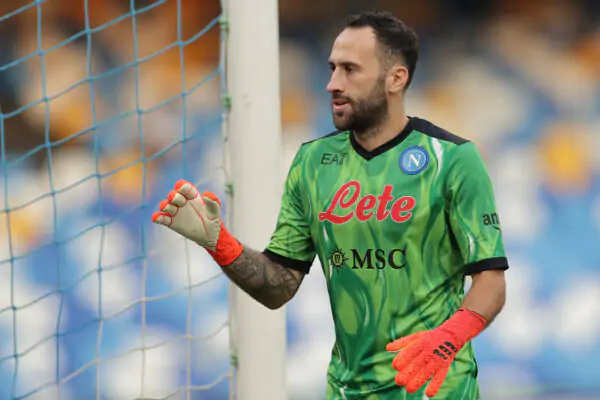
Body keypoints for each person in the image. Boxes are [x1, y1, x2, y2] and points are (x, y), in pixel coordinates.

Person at [152, 10, 508, 400]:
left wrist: (448, 338)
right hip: (347, 390)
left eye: (350, 70)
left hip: (433, 387)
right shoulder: (313, 162)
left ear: (396, 78)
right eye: (332, 68)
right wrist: (218, 242)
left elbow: (491, 282)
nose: (332, 84)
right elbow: (279, 285)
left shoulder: (453, 159)